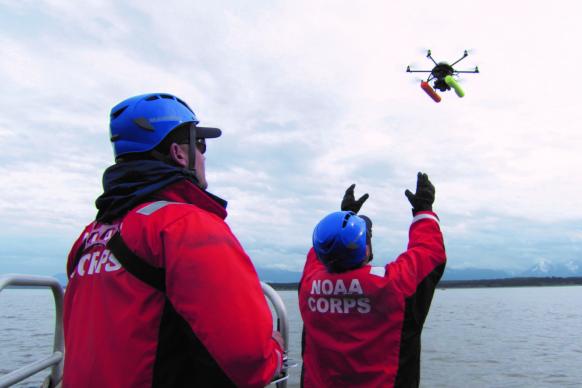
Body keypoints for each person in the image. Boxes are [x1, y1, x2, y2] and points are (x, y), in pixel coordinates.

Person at [63, 93, 284, 388]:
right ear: (180, 153)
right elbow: (249, 359)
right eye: (200, 145)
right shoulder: (186, 227)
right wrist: (275, 351)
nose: (204, 156)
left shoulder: (90, 237)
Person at [299, 173, 446, 387]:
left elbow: (321, 250)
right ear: (365, 248)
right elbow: (429, 253)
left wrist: (344, 217)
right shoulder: (393, 286)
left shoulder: (309, 285)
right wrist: (423, 210)